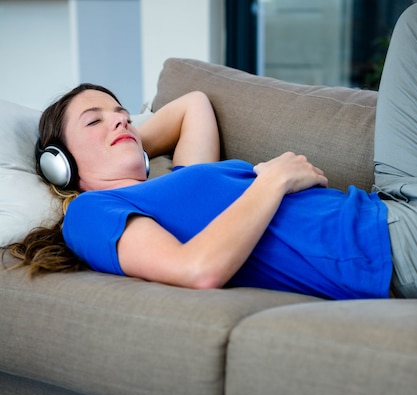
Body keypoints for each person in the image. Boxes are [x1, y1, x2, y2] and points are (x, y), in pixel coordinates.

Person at [4, 4, 417, 299]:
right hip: (387, 244)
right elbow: (196, 270)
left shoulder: (175, 181)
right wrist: (272, 182)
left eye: (122, 113)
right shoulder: (89, 212)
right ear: (59, 165)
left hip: (389, 201)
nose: (120, 120)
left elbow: (193, 104)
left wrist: (126, 142)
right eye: (94, 120)